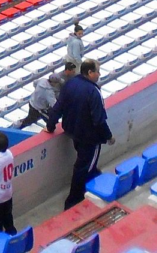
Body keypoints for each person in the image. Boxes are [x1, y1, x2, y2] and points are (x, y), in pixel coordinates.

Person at [45, 60, 114, 209]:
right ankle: (74, 200)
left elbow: (58, 108)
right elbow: (99, 120)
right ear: (90, 72)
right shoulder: (93, 91)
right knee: (83, 167)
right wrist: (108, 136)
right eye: (97, 71)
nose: (99, 74)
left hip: (73, 131)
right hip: (90, 137)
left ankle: (92, 174)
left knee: (85, 163)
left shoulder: (70, 84)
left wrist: (50, 126)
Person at [19, 63, 74, 127]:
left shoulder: (43, 80)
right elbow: (54, 105)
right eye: (57, 83)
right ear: (53, 83)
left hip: (32, 102)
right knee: (50, 120)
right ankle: (22, 126)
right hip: (38, 109)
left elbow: (35, 83)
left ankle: (23, 122)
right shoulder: (49, 92)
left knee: (31, 118)